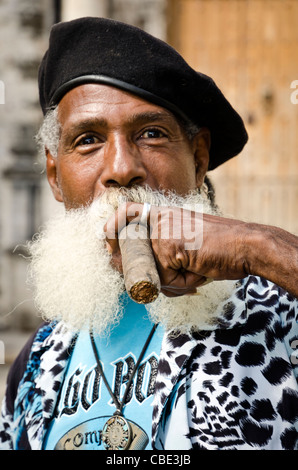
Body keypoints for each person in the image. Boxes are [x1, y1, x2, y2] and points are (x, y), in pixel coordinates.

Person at [0, 17, 297, 451]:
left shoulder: (279, 315)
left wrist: (260, 247)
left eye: (151, 134)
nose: (122, 168)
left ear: (198, 159)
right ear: (55, 176)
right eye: (88, 140)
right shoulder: (37, 363)